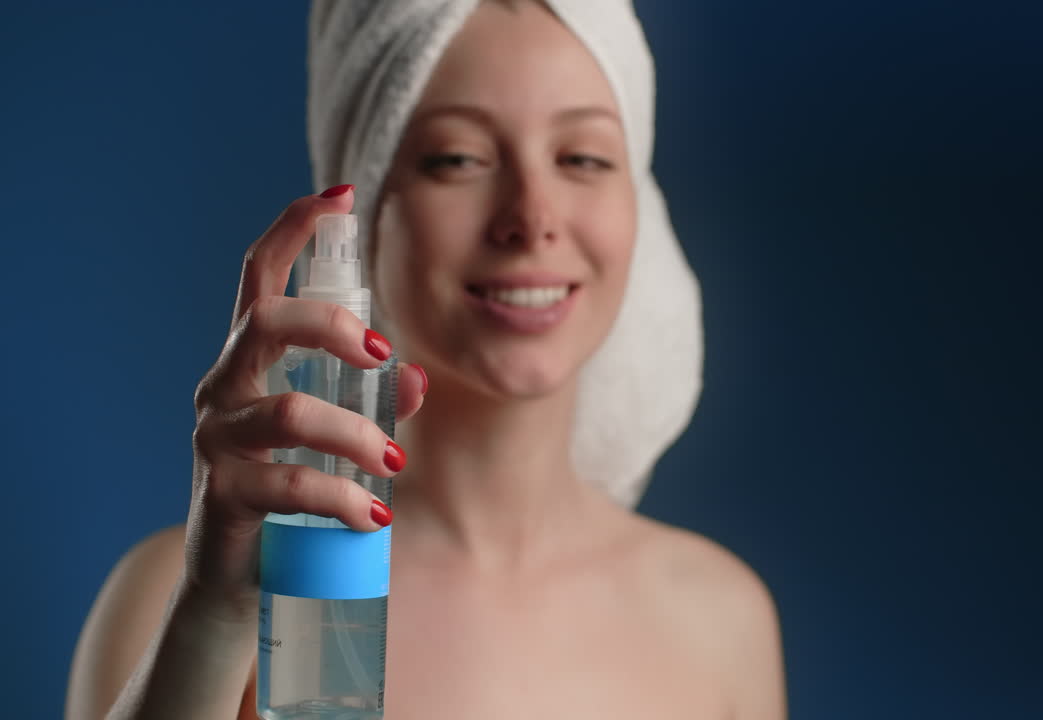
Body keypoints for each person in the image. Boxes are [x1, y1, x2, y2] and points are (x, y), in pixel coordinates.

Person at [66, 1, 786, 718]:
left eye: (583, 158)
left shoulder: (719, 617)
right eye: (457, 159)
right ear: (367, 201)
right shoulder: (196, 596)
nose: (533, 217)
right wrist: (216, 615)